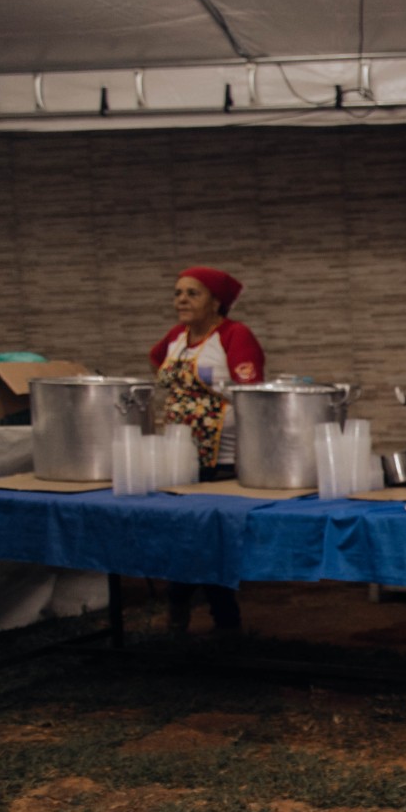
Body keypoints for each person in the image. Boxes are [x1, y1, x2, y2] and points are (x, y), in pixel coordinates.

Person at [148, 266, 266, 634]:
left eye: (192, 293)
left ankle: (222, 618)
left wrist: (211, 389)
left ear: (216, 302)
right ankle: (183, 604)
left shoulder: (234, 334)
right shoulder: (176, 338)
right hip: (180, 454)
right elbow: (157, 360)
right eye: (178, 293)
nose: (181, 300)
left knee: (211, 538)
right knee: (183, 532)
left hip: (222, 456)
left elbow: (251, 394)